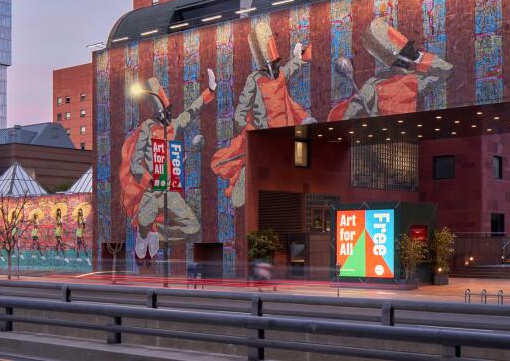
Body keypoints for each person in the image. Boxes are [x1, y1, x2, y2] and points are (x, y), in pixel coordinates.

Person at [212, 21, 314, 209]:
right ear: (265, 65)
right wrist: (250, 131)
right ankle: (246, 175)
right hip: (264, 140)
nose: (277, 67)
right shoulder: (254, 81)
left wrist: (301, 56)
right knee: (254, 185)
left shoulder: (282, 73)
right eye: (273, 64)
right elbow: (239, 115)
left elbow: (293, 67)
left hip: (287, 138)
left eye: (277, 63)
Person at [119, 69, 216, 251]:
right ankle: (144, 233)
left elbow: (192, 110)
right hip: (152, 191)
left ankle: (158, 235)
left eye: (168, 111)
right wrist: (150, 181)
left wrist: (209, 90)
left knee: (193, 228)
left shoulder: (175, 125)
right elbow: (135, 164)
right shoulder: (147, 129)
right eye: (163, 113)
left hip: (170, 191)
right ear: (156, 114)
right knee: (144, 222)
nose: (167, 116)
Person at [328, 17, 453, 120]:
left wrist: (417, 56)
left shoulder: (414, 78)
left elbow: (446, 69)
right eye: (407, 50)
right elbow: (348, 115)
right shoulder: (374, 84)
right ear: (397, 56)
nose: (411, 52)